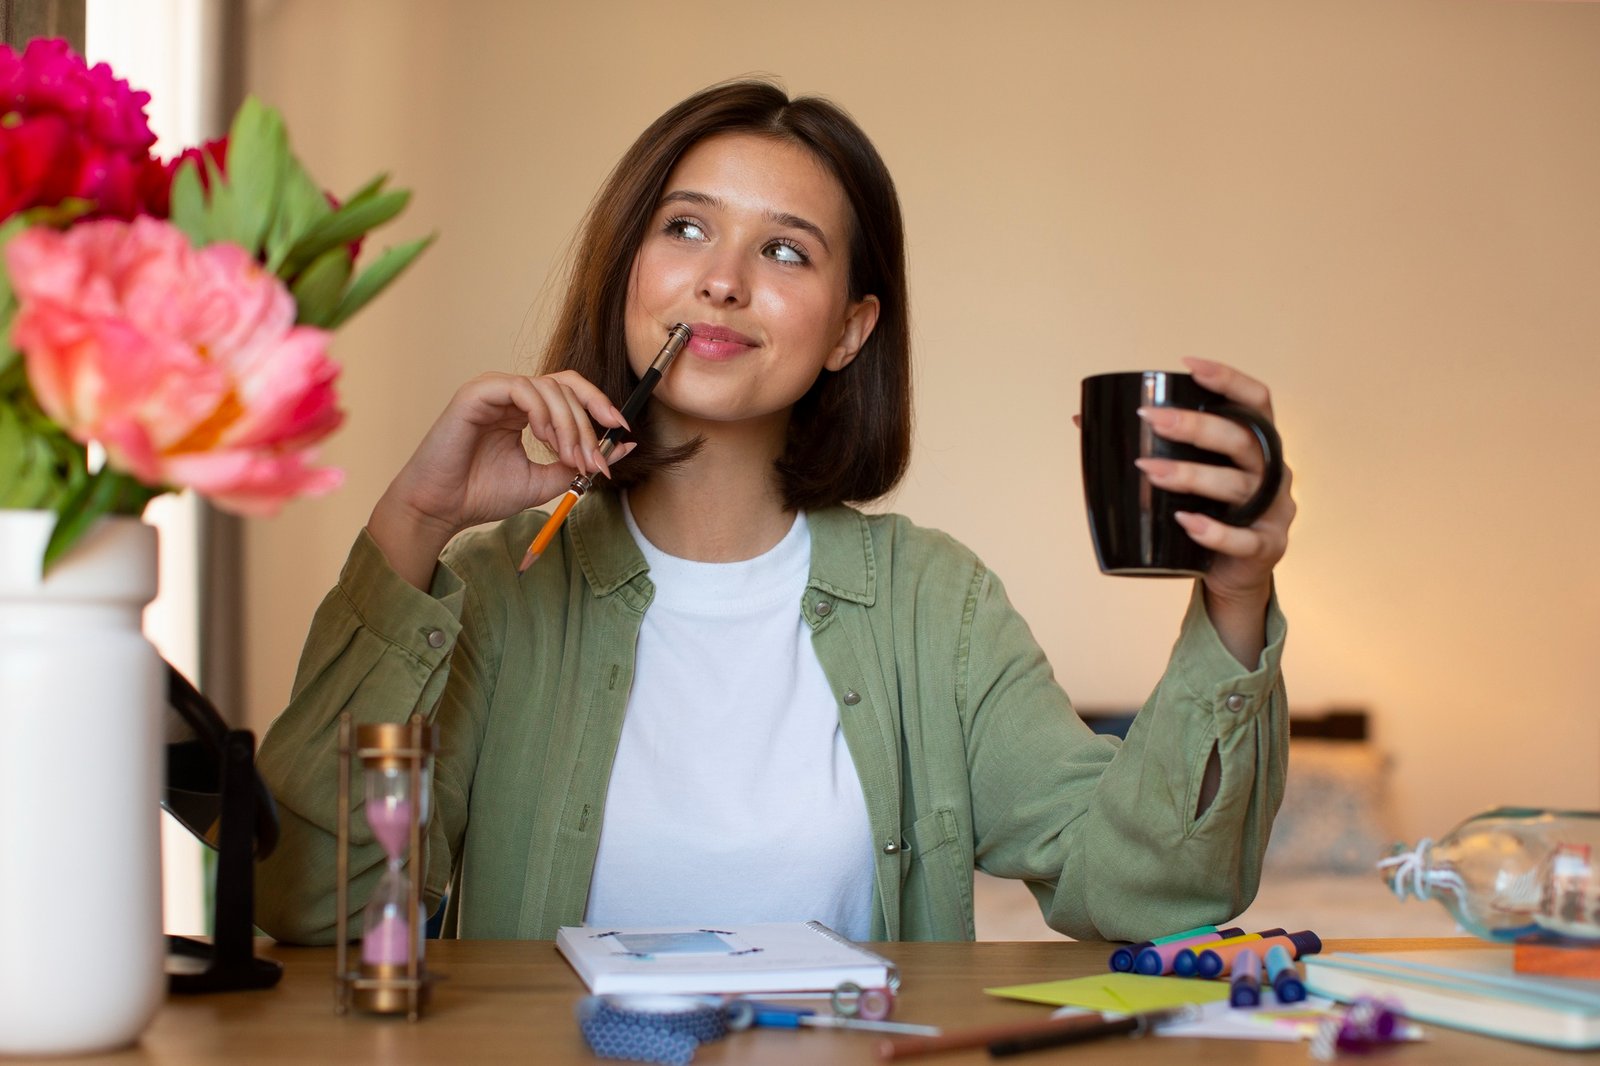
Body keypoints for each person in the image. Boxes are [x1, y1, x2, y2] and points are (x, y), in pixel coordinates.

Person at [254, 79, 1294, 945]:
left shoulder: (939, 604)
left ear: (850, 330)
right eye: (686, 229)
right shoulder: (492, 588)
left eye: (785, 251)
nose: (720, 282)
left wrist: (1236, 594)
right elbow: (311, 909)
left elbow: (1142, 889)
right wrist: (415, 519)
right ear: (629, 274)